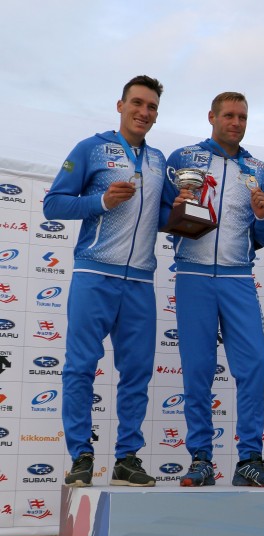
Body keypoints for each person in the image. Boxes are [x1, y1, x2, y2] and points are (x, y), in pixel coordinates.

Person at [43, 75, 166, 487]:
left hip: (140, 283)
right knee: (80, 368)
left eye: (151, 107)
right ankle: (81, 455)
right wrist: (101, 201)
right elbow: (52, 204)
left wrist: (184, 209)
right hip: (94, 273)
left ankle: (127, 458)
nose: (143, 112)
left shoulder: (159, 161)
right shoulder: (91, 148)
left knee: (137, 374)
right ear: (120, 105)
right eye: (137, 103)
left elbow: (161, 218)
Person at [161, 92, 264, 487]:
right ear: (211, 116)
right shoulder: (183, 158)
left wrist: (262, 215)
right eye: (229, 115)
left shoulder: (259, 170)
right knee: (197, 369)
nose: (236, 122)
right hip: (193, 273)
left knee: (253, 367)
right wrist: (177, 205)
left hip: (238, 276)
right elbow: (162, 214)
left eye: (242, 116)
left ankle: (249, 458)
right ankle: (200, 458)